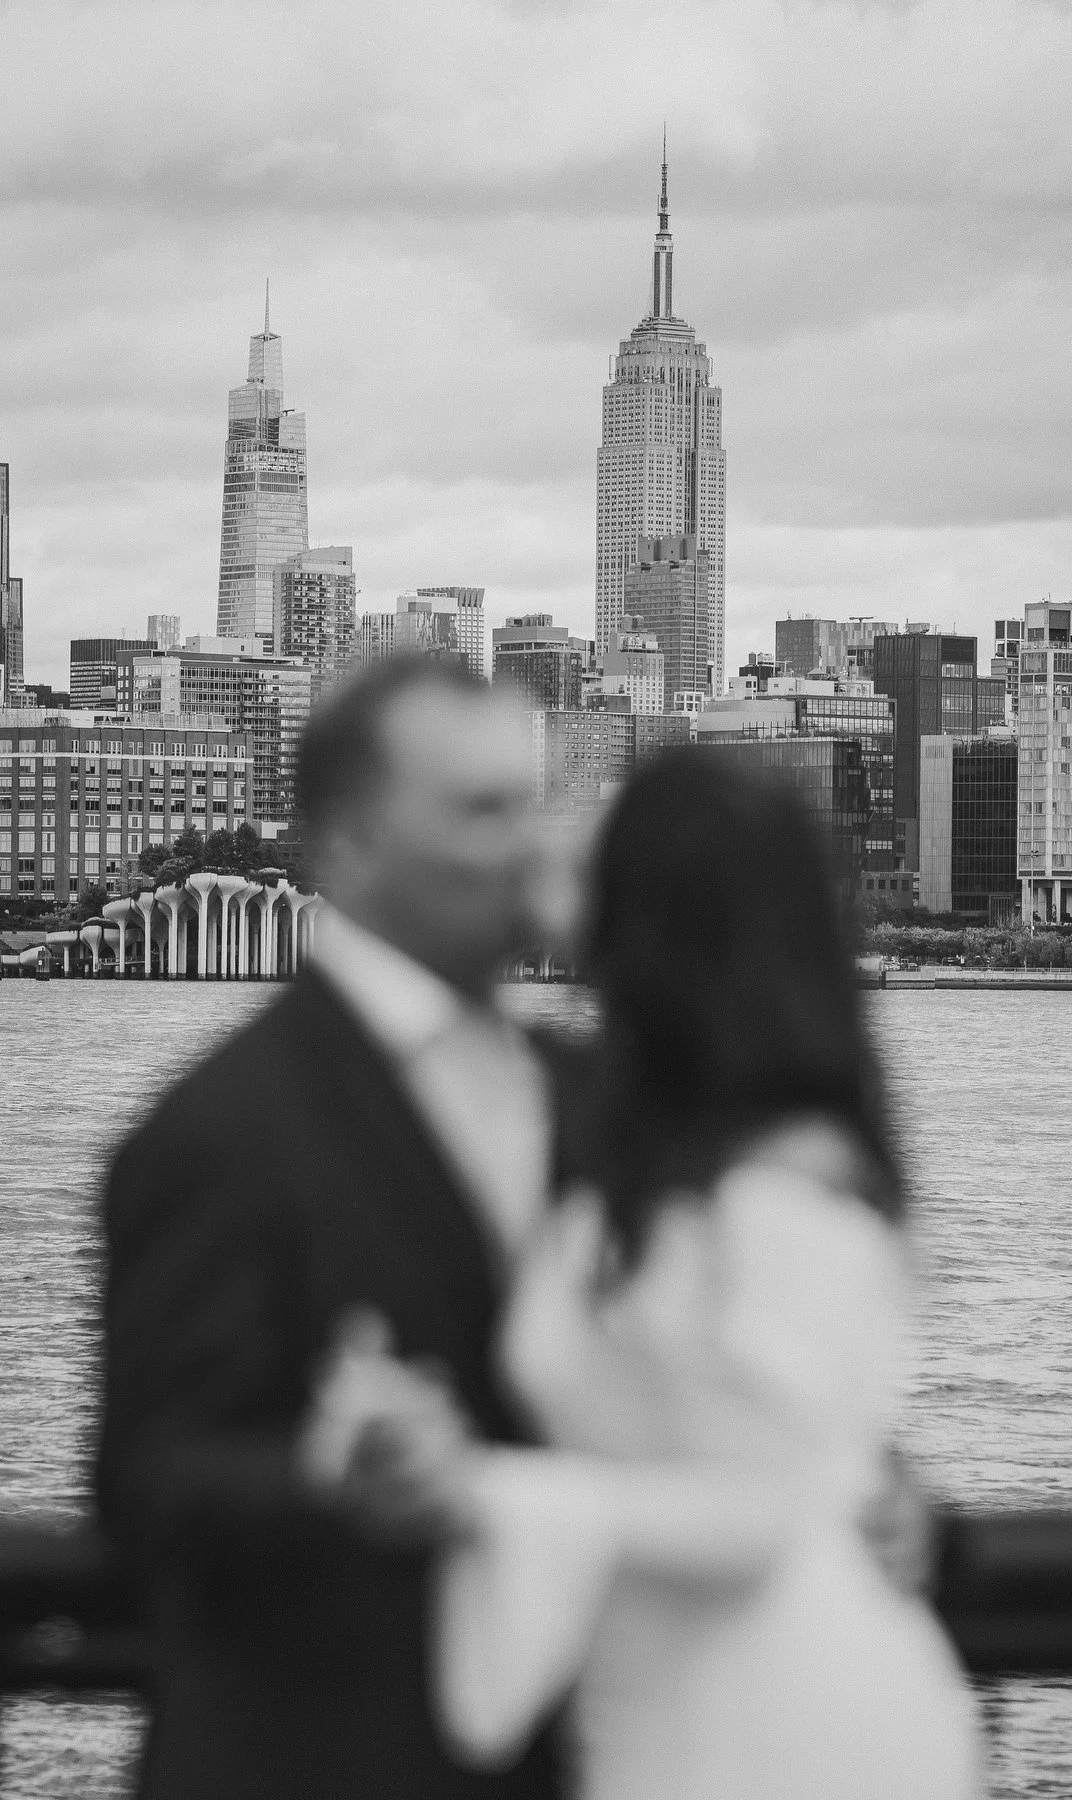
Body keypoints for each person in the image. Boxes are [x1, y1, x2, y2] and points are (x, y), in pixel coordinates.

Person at [312, 753, 983, 1800]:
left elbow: (765, 1508)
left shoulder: (787, 1183)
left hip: (784, 1729)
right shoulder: (651, 1148)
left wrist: (481, 1495)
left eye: (592, 866)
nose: (549, 881)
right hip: (652, 1715)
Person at [96, 657, 568, 1800]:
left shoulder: (592, 1094)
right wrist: (329, 1471)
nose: (526, 844)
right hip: (317, 1759)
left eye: (530, 805)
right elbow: (146, 1485)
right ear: (348, 842)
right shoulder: (213, 1133)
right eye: (478, 811)